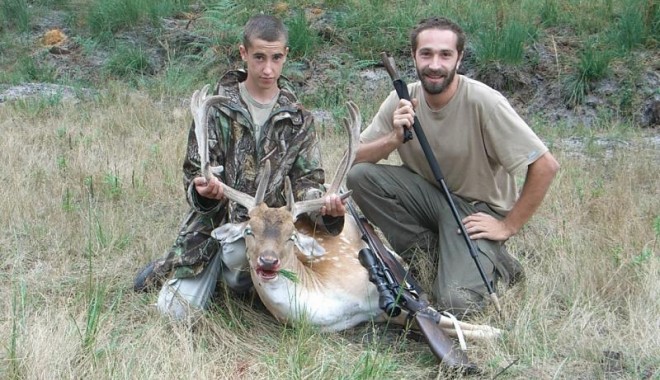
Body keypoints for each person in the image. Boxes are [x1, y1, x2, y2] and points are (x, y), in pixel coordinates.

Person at [134, 14, 346, 320]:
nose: (268, 69)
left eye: (276, 58)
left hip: (269, 233)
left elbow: (307, 181)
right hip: (214, 226)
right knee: (174, 312)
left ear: (286, 55)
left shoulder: (299, 119)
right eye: (259, 57)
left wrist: (325, 205)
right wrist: (205, 192)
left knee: (251, 276)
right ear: (243, 53)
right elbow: (194, 173)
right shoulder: (216, 108)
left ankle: (237, 281)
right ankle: (177, 266)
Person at [346, 17, 559, 317]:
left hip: (476, 213)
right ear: (414, 57)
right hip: (432, 199)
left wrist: (507, 225)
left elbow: (545, 165)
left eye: (445, 55)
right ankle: (431, 256)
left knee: (456, 303)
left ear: (459, 58)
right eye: (426, 54)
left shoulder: (484, 101)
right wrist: (393, 139)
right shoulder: (402, 98)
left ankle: (502, 267)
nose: (435, 64)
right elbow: (352, 159)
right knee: (360, 177)